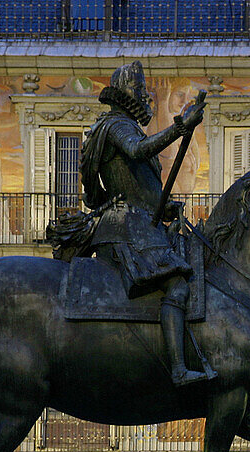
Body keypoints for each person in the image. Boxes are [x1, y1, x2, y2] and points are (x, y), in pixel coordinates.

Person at [76, 61, 211, 386]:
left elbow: (138, 185)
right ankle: (178, 370)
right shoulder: (116, 126)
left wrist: (164, 208)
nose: (145, 95)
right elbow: (137, 152)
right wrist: (180, 127)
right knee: (176, 285)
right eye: (139, 88)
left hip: (138, 221)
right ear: (126, 93)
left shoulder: (119, 125)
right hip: (127, 226)